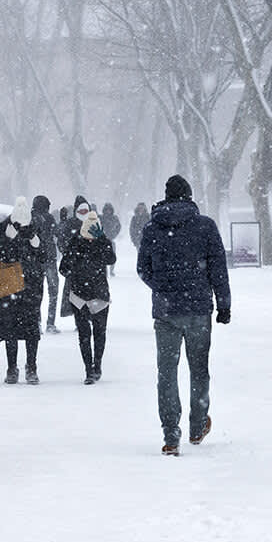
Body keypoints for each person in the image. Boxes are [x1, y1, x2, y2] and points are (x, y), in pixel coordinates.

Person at [137, 175, 231, 456]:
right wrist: (223, 303)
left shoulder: (152, 228)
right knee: (198, 369)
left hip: (166, 312)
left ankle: (170, 434)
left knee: (167, 372)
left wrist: (163, 287)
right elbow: (218, 268)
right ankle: (198, 424)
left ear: (166, 197)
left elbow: (143, 268)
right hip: (198, 309)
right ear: (189, 196)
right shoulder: (205, 226)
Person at [59, 210, 116, 384]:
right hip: (80, 296)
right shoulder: (75, 243)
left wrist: (103, 239)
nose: (90, 239)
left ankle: (97, 364)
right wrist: (74, 269)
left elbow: (111, 259)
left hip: (98, 295)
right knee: (84, 334)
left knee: (99, 333)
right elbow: (63, 268)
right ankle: (88, 370)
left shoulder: (101, 243)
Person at [0, 197, 47, 385]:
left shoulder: (35, 227)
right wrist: (6, 239)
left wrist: (35, 241)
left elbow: (45, 255)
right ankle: (12, 367)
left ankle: (31, 367)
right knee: (10, 328)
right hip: (10, 285)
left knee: (31, 330)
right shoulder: (4, 227)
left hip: (31, 286)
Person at [58, 196, 90, 319]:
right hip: (79, 265)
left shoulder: (71, 223)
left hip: (79, 264)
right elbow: (62, 240)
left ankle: (82, 316)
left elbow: (61, 240)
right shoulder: (72, 224)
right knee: (79, 293)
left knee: (78, 293)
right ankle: (83, 316)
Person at [31, 195, 60, 334]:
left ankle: (36, 322)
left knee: (36, 292)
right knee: (53, 292)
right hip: (49, 258)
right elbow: (57, 233)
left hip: (35, 260)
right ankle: (50, 323)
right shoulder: (49, 218)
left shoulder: (30, 218)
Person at [100, 202, 121, 277]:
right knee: (103, 256)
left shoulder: (114, 218)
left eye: (109, 210)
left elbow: (118, 227)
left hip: (111, 239)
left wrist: (114, 234)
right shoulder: (101, 217)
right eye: (106, 210)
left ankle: (112, 270)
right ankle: (104, 270)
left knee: (112, 254)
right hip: (102, 239)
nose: (108, 211)